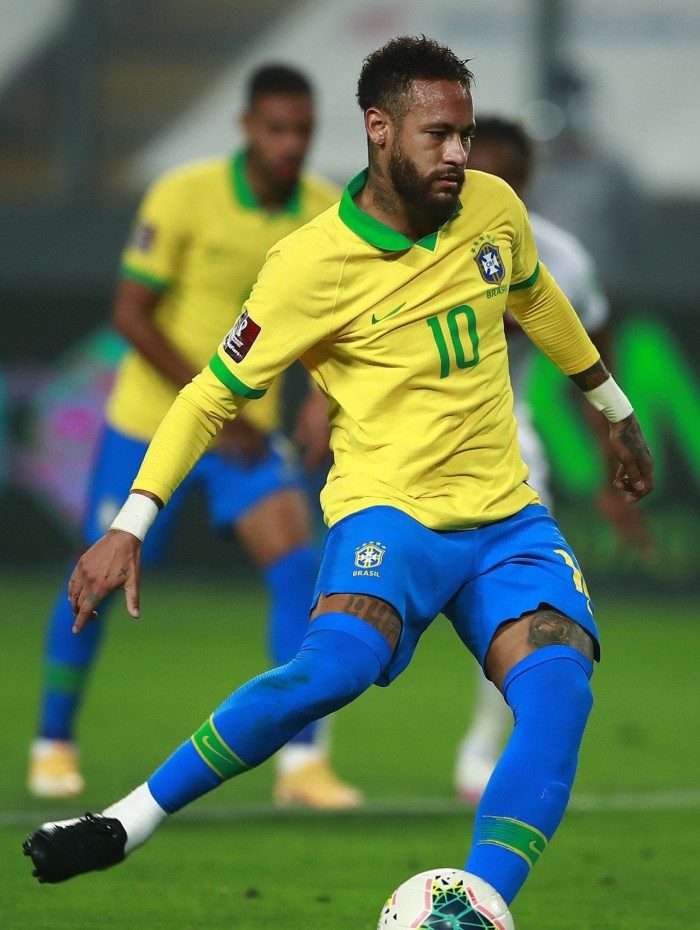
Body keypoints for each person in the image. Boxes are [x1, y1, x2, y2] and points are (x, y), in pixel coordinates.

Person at [24, 37, 653, 923]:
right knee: (331, 671)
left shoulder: (493, 208)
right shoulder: (309, 264)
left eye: (466, 134)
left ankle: (476, 905)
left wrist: (614, 408)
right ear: (379, 128)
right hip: (389, 518)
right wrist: (129, 523)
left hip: (507, 519)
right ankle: (126, 822)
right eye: (438, 135)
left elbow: (537, 297)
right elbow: (210, 395)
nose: (458, 154)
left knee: (560, 689)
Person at [28, 63, 362, 811]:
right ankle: (53, 741)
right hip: (153, 427)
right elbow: (131, 314)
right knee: (96, 577)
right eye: (276, 128)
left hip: (248, 439)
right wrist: (215, 404)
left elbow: (333, 323)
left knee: (299, 574)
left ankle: (303, 762)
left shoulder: (322, 210)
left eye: (303, 130)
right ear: (246, 127)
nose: (291, 143)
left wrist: (323, 402)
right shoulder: (183, 194)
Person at [453, 116, 651, 804]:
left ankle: (482, 750)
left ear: (527, 184)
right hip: (398, 442)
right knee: (364, 616)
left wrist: (611, 466)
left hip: (506, 438)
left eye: (506, 177)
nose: (489, 187)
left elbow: (593, 360)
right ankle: (308, 755)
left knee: (517, 603)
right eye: (478, 173)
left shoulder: (558, 259)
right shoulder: (415, 239)